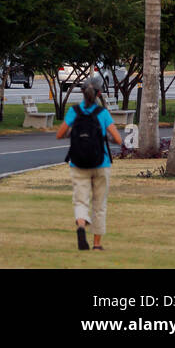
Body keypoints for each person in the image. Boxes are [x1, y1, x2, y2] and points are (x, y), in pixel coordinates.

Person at [56, 79, 122, 252]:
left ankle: (80, 226)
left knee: (80, 200)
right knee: (99, 204)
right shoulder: (102, 113)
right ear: (99, 94)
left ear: (83, 93)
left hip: (77, 163)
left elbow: (60, 134)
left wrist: (74, 133)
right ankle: (97, 244)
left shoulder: (74, 111)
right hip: (101, 162)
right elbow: (118, 139)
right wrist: (104, 137)